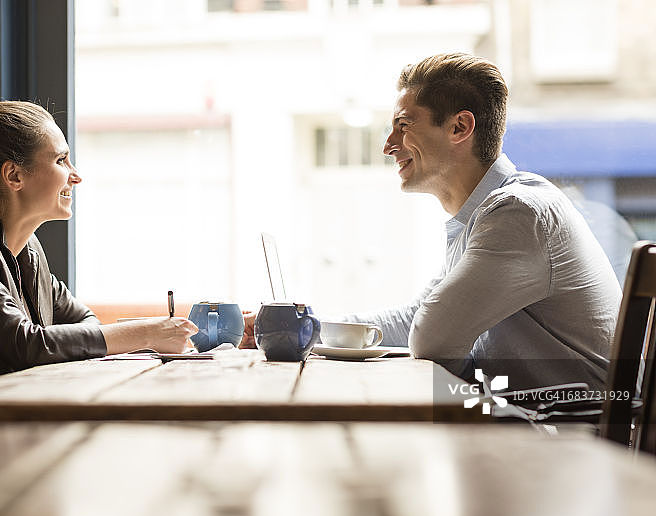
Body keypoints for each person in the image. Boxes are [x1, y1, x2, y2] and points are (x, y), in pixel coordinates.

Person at [244, 53, 621, 391]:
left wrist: (460, 387)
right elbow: (415, 320)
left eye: (404, 125)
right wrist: (300, 329)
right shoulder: (486, 215)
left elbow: (431, 338)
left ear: (460, 127)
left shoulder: (518, 214)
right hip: (534, 422)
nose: (388, 145)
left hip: (563, 434)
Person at [0, 100, 197, 415]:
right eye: (61, 160)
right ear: (14, 175)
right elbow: (21, 343)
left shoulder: (29, 251)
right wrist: (146, 333)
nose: (75, 176)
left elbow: (84, 321)